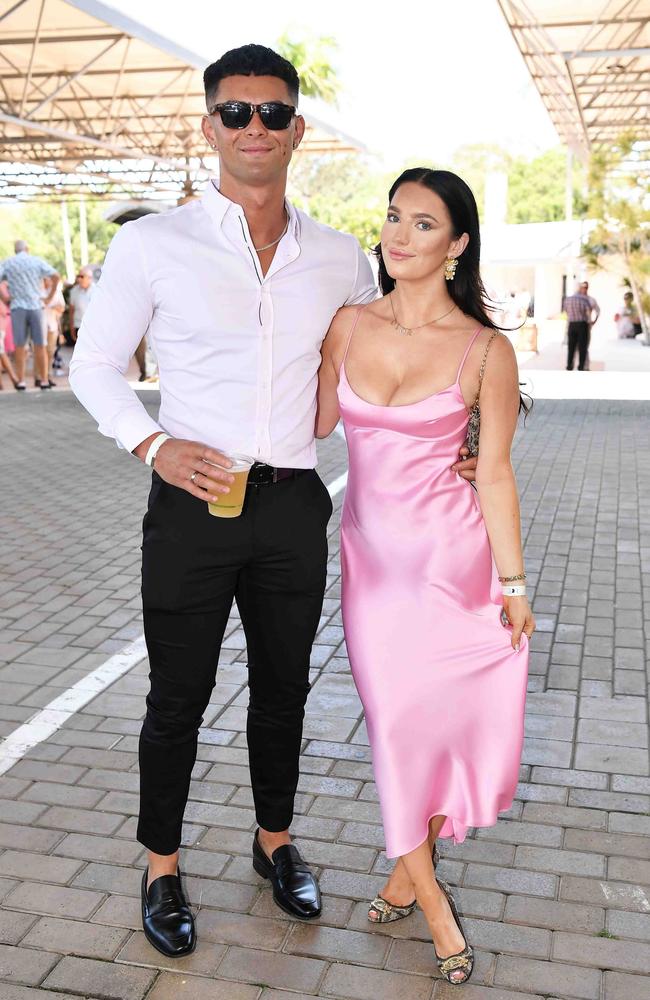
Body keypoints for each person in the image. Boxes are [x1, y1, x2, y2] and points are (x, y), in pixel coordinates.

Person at [69, 44, 482, 959]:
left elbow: (404, 343)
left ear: (297, 129)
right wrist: (153, 443)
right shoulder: (152, 243)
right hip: (190, 504)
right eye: (234, 112)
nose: (253, 127)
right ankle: (162, 864)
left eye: (271, 112)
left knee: (284, 691)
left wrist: (469, 431)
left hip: (294, 507)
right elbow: (91, 365)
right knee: (178, 693)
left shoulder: (339, 257)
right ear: (208, 125)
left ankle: (275, 843)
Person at [316, 168, 535, 986]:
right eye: (393, 218)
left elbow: (497, 475)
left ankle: (410, 874)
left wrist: (514, 585)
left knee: (441, 723)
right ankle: (435, 900)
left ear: (457, 245)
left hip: (454, 561)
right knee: (395, 721)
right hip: (374, 564)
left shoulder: (485, 348)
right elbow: (307, 423)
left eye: (423, 223)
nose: (399, 235)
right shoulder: (345, 325)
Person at [0, 240, 59, 390]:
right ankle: (44, 380)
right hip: (36, 306)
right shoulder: (36, 261)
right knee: (40, 344)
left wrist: (4, 297)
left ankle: (21, 381)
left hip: (17, 307)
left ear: (15, 250)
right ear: (27, 249)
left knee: (20, 346)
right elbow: (56, 275)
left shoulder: (8, 263)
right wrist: (49, 297)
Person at [563, 283, 594, 370]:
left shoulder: (568, 299)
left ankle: (569, 365)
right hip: (582, 325)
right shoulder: (584, 300)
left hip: (571, 324)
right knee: (582, 347)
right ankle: (581, 366)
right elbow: (588, 313)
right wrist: (590, 323)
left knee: (571, 347)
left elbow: (566, 311)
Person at [68, 266, 95, 344]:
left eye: (82, 276)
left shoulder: (97, 291)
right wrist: (71, 329)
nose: (79, 279)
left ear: (89, 278)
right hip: (78, 326)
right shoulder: (73, 291)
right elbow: (71, 311)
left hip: (92, 328)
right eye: (78, 276)